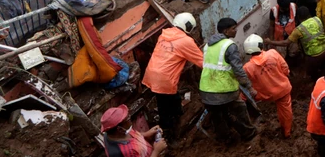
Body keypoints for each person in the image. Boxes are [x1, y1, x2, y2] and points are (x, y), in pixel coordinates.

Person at [141, 13, 202, 144]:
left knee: (167, 98)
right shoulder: (186, 41)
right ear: (189, 27)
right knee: (164, 108)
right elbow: (202, 62)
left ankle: (177, 113)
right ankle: (169, 135)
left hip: (152, 74)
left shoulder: (164, 35)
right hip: (165, 79)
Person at [199, 18, 257, 144]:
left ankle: (225, 139)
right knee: (239, 108)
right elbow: (238, 70)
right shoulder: (229, 46)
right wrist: (249, 86)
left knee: (217, 115)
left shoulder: (208, 45)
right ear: (226, 31)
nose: (235, 30)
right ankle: (249, 134)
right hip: (223, 89)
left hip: (205, 89)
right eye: (233, 28)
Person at [242, 34, 293, 139]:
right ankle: (287, 132)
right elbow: (285, 69)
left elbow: (246, 84)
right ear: (261, 45)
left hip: (265, 95)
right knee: (286, 111)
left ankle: (250, 119)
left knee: (242, 97)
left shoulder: (247, 67)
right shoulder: (273, 53)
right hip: (282, 90)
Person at [101, 105, 166, 157]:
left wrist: (147, 133)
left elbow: (132, 135)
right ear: (119, 129)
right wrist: (156, 151)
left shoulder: (112, 133)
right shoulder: (126, 152)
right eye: (128, 119)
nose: (130, 118)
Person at [287, 6, 325, 80]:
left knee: (311, 72)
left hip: (315, 56)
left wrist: (270, 41)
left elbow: (286, 43)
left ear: (299, 17)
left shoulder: (299, 29)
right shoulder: (317, 19)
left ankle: (316, 80)